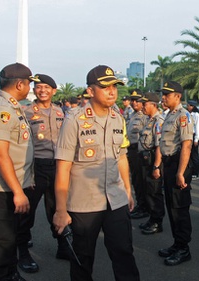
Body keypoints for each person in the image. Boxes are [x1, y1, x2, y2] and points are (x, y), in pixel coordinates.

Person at [52, 65, 140, 281]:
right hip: (84, 203)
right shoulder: (74, 120)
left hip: (115, 199)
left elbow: (120, 156)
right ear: (90, 91)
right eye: (105, 87)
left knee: (124, 254)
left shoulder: (118, 118)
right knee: (82, 259)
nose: (112, 91)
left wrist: (128, 190)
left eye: (114, 87)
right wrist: (61, 210)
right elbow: (63, 166)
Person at [0, 62, 39, 281]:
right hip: (2, 190)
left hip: (13, 185)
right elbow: (0, 154)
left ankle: (9, 274)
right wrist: (17, 192)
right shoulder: (2, 110)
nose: (30, 89)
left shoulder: (13, 107)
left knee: (9, 240)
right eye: (29, 84)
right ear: (20, 84)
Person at [18, 74, 68, 274]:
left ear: (54, 91)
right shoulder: (26, 112)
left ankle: (63, 247)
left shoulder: (61, 112)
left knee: (57, 208)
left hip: (56, 166)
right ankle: (22, 252)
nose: (42, 90)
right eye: (39, 87)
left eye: (47, 87)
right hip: (35, 166)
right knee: (26, 211)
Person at [157, 81, 194, 266]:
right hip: (169, 164)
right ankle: (177, 243)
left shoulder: (183, 116)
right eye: (163, 94)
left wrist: (180, 173)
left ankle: (183, 248)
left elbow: (186, 145)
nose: (163, 97)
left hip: (179, 165)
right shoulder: (169, 115)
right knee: (171, 206)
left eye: (167, 94)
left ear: (178, 96)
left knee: (180, 207)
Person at [137, 92, 165, 235]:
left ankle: (157, 222)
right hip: (145, 160)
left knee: (154, 192)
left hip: (153, 160)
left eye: (145, 103)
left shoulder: (158, 121)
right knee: (148, 191)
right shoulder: (149, 120)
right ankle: (151, 218)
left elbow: (159, 145)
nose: (142, 106)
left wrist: (156, 166)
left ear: (153, 105)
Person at [126, 89, 149, 220]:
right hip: (131, 150)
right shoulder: (132, 115)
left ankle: (144, 207)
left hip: (139, 151)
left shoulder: (144, 116)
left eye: (137, 100)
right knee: (135, 179)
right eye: (132, 100)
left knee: (141, 180)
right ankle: (140, 205)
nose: (134, 103)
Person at [187, 100, 199, 180]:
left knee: (195, 156)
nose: (188, 107)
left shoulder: (196, 115)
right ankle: (192, 171)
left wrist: (196, 138)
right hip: (189, 135)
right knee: (190, 155)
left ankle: (196, 173)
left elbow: (197, 127)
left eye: (189, 106)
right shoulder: (189, 114)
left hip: (194, 135)